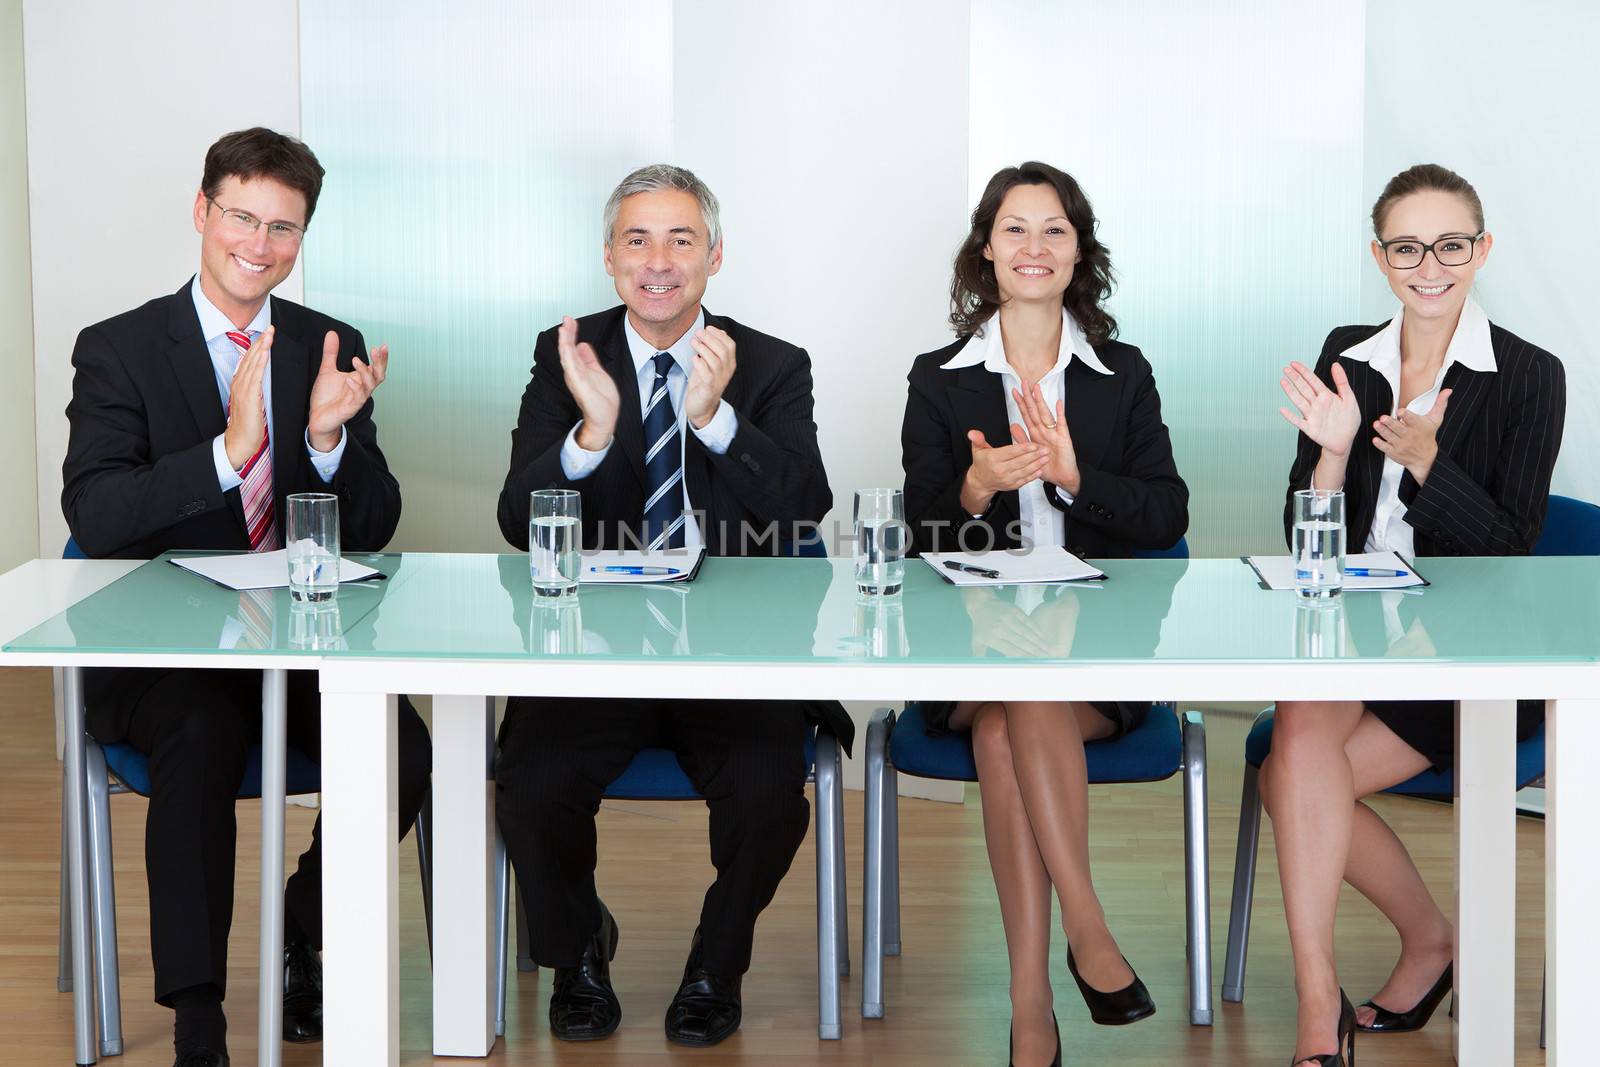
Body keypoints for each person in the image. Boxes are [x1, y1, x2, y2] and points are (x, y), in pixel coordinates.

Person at [60, 127, 433, 1067]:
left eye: (284, 227)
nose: (259, 245)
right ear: (202, 212)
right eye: (242, 217)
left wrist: (329, 442)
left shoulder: (323, 342)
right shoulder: (118, 349)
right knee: (199, 736)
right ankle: (198, 1018)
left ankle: (298, 922)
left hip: (296, 643)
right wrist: (231, 453)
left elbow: (376, 520)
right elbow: (98, 515)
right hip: (163, 652)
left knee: (406, 746)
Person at [494, 163, 848, 1047]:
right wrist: (592, 434)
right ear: (609, 258)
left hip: (731, 657)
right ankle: (576, 954)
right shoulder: (564, 353)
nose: (659, 261)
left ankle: (715, 962)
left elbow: (807, 508)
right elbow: (514, 518)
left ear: (715, 255)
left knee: (772, 788)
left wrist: (715, 419)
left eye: (681, 239)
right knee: (531, 782)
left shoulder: (768, 364)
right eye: (638, 240)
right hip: (593, 652)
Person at [1266, 162, 1565, 1067]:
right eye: (1406, 245)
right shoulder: (1348, 353)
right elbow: (1301, 534)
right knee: (1301, 723)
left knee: (1294, 773)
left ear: (1480, 250)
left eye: (1449, 244)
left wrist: (1431, 464)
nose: (1428, 264)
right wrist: (1331, 458)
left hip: (1468, 650)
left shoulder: (1527, 376)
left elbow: (1512, 551)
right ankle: (1324, 994)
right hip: (1353, 633)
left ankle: (1426, 943)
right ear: (1379, 254)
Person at [900, 161, 1189, 1067]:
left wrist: (1074, 478)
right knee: (1009, 696)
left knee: (1005, 729)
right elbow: (921, 534)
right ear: (986, 250)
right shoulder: (940, 378)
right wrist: (978, 489)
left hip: (1095, 653)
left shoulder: (1121, 373)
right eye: (1014, 229)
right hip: (969, 648)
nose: (1034, 247)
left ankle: (1033, 1009)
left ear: (1079, 251)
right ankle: (1088, 933)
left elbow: (1166, 514)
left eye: (1054, 229)